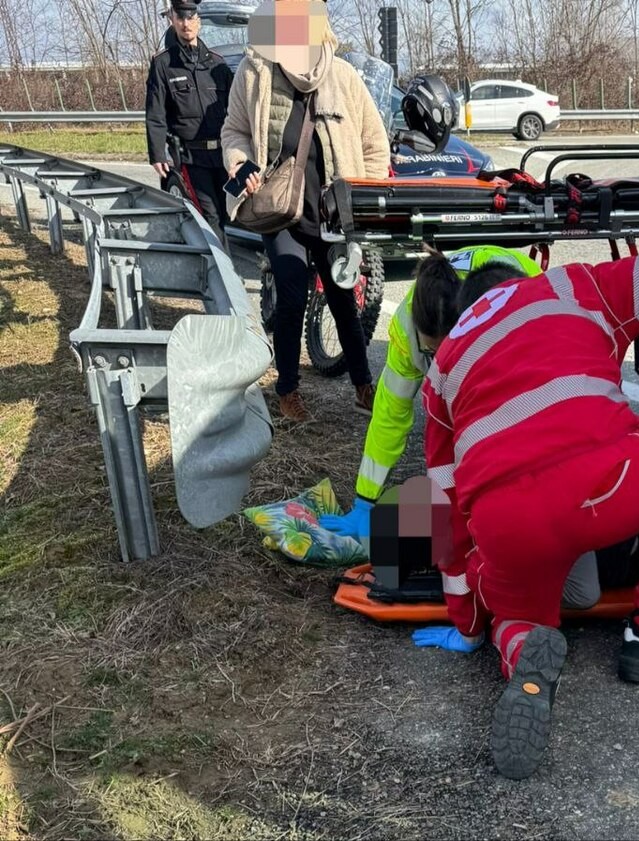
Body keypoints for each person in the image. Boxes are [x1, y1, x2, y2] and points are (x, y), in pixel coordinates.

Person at [409, 247, 639, 780]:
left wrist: (466, 622)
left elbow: (444, 510)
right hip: (602, 485)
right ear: (516, 282)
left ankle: (522, 653)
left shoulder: (443, 369)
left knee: (515, 618)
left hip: (504, 523)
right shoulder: (567, 287)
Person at [220, 0, 390, 423]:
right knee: (292, 293)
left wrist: (365, 201)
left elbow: (374, 142)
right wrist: (240, 162)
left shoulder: (344, 76)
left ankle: (363, 386)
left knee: (342, 298)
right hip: (282, 211)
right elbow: (234, 131)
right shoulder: (255, 73)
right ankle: (288, 392)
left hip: (334, 213)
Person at [318, 246, 542, 541]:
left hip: (525, 313)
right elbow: (389, 417)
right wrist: (366, 502)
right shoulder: (404, 331)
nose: (439, 364)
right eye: (431, 353)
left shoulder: (510, 313)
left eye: (447, 352)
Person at [145, 0, 233, 247]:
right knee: (211, 215)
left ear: (199, 21)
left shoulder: (218, 64)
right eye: (181, 18)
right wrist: (157, 153)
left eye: (191, 17)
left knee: (228, 212)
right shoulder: (163, 64)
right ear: (173, 19)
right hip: (193, 158)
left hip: (224, 156)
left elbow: (236, 111)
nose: (186, 23)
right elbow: (155, 112)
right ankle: (224, 279)